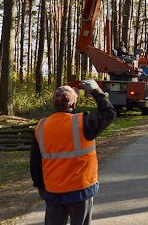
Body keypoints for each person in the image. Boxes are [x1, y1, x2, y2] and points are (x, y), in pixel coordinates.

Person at [30, 80, 116, 225]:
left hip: (53, 191)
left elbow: (35, 161)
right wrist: (96, 91)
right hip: (80, 190)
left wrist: (40, 186)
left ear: (54, 104)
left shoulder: (42, 126)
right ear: (74, 104)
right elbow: (109, 112)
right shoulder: (84, 122)